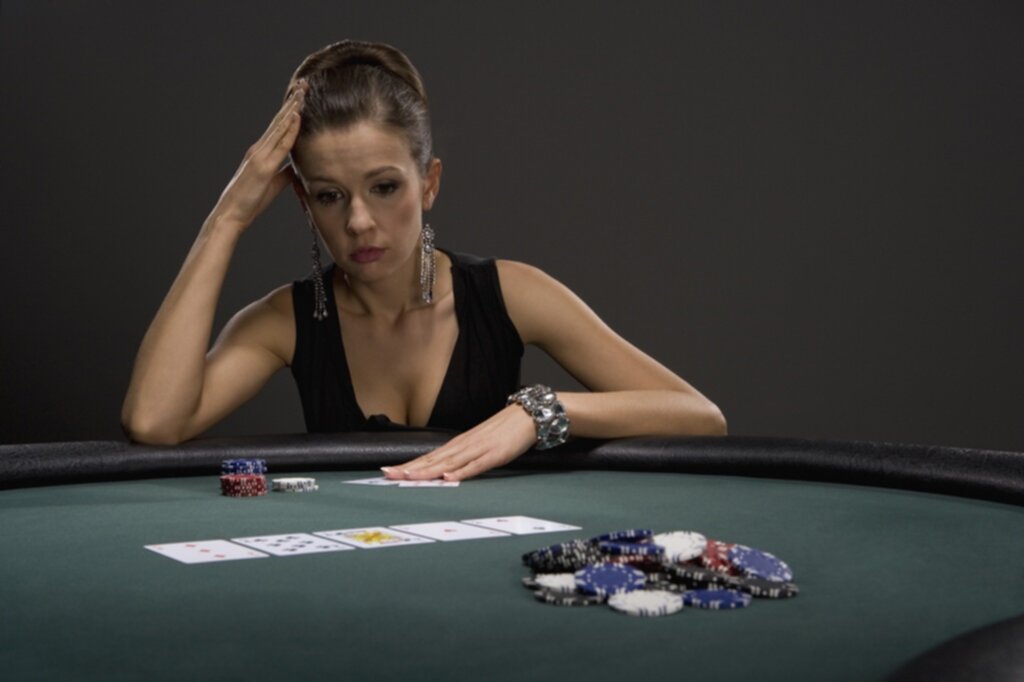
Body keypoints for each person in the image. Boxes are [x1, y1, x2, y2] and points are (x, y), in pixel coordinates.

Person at [121, 39, 726, 481]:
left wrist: (538, 412)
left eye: (384, 187)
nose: (359, 221)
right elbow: (153, 421)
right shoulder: (286, 321)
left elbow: (698, 416)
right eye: (330, 196)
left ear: (428, 184)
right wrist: (227, 218)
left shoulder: (512, 293)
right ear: (303, 202)